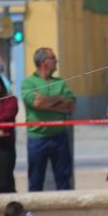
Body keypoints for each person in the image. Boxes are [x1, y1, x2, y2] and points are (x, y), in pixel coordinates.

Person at [21, 47, 76, 191]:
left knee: (64, 178)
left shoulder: (60, 82)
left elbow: (70, 105)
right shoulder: (28, 83)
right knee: (35, 179)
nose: (56, 62)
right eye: (54, 59)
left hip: (60, 137)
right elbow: (36, 103)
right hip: (37, 138)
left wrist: (47, 102)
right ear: (45, 62)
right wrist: (59, 100)